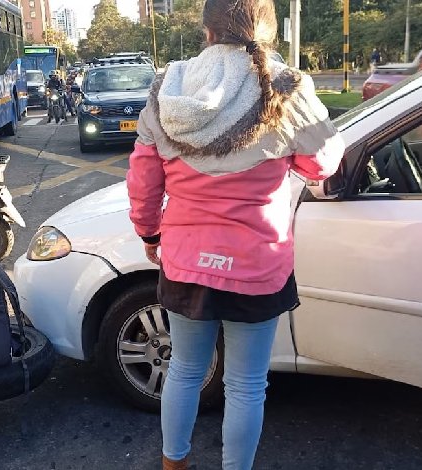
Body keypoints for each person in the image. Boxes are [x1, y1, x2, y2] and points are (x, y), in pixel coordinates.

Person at [125, 1, 345, 469]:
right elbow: (324, 162)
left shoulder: (170, 86)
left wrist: (148, 231)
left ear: (207, 32)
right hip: (256, 265)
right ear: (268, 33)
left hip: (185, 260)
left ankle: (173, 463)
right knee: (246, 384)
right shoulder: (286, 87)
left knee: (184, 370)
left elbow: (144, 177)